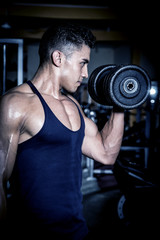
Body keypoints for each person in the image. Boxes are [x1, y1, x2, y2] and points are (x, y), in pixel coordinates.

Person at [0, 23, 124, 239]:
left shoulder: (73, 106)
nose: (85, 74)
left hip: (76, 232)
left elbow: (106, 153)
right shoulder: (15, 104)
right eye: (82, 63)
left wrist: (121, 101)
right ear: (58, 58)